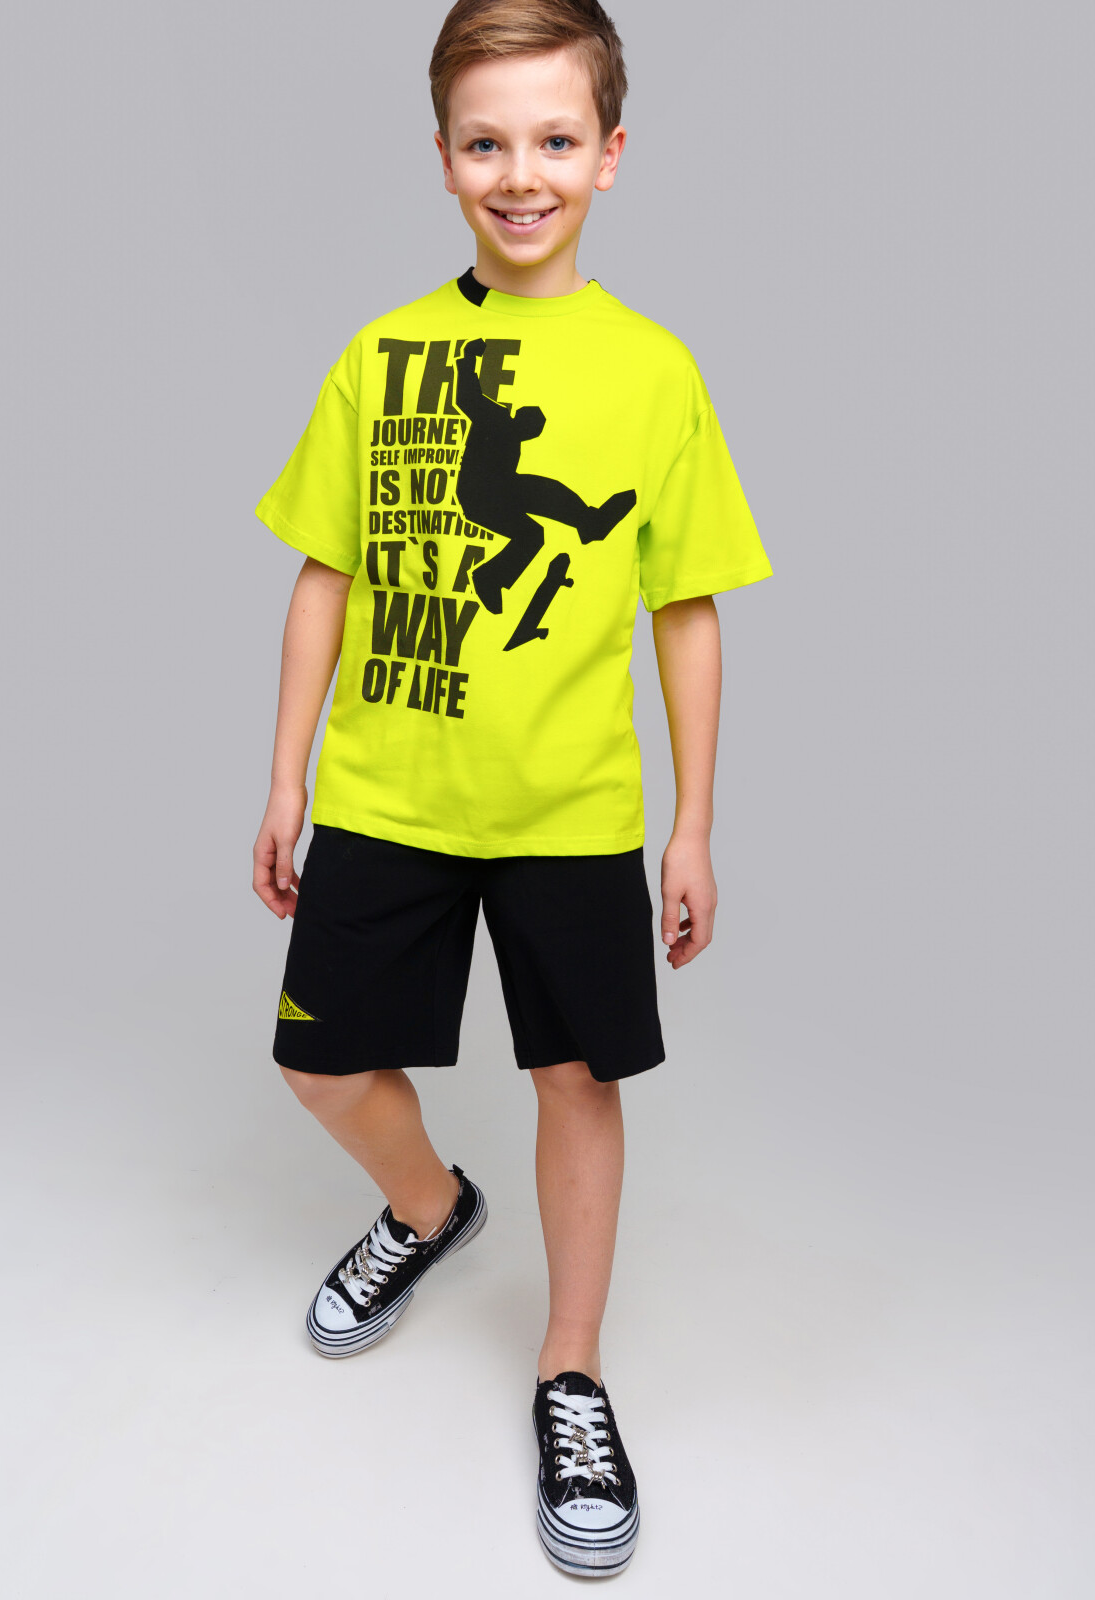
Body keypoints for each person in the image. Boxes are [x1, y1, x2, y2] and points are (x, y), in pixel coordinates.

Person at [251, 0, 772, 1576]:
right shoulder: (382, 354)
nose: (520, 172)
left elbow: (687, 607)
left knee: (577, 1081)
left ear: (610, 156)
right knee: (319, 1063)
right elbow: (325, 576)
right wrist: (284, 781)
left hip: (570, 815)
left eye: (555, 138)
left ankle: (571, 1369)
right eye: (487, 141)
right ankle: (427, 1210)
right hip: (388, 791)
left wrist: (691, 824)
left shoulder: (656, 371)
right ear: (443, 158)